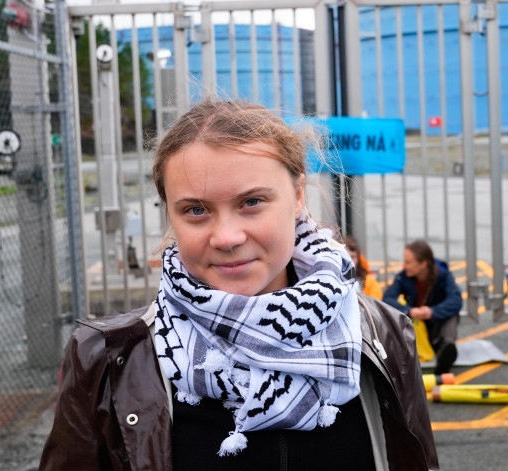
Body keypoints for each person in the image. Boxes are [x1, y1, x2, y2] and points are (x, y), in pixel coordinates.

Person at [40, 100, 437, 470]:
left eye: (251, 202)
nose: (227, 237)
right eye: (196, 210)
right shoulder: (107, 359)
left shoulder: (384, 335)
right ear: (171, 216)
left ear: (298, 197)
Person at [382, 241, 462, 375]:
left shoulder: (443, 275)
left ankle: (446, 349)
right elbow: (387, 299)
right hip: (416, 325)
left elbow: (456, 300)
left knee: (451, 315)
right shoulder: (403, 277)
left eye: (408, 262)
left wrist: (432, 312)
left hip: (437, 323)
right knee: (398, 313)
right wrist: (409, 311)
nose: (404, 266)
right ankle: (442, 351)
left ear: (423, 264)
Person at [343, 235, 382, 300]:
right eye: (345, 257)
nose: (349, 261)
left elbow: (374, 306)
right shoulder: (330, 282)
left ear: (358, 259)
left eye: (352, 257)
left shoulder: (370, 283)